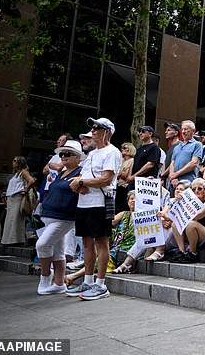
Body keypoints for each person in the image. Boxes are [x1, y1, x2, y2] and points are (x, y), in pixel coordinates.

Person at [67, 117, 122, 300]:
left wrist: (80, 182)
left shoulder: (112, 152)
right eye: (93, 127)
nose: (93, 130)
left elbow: (106, 179)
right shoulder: (91, 154)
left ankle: (100, 284)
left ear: (107, 131)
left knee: (101, 242)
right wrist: (77, 185)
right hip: (85, 202)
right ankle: (88, 281)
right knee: (87, 242)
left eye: (98, 127)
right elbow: (82, 177)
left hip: (101, 202)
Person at [36, 140, 84, 295]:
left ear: (77, 157)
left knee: (42, 245)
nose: (63, 156)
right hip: (50, 215)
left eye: (67, 154)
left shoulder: (80, 173)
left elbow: (84, 190)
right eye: (62, 154)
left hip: (64, 216)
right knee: (58, 251)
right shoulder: (62, 172)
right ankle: (58, 283)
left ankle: (45, 276)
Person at [169, 178, 205, 263]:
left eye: (200, 189)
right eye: (194, 189)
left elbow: (195, 216)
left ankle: (192, 253)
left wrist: (185, 199)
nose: (196, 191)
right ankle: (182, 252)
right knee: (175, 224)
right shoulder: (191, 202)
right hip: (196, 235)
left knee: (191, 224)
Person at [1, 156, 35, 246]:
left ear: (20, 162)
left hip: (17, 197)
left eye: (15, 161)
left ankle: (15, 240)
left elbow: (31, 180)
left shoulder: (23, 172)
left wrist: (25, 190)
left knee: (15, 219)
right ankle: (9, 240)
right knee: (10, 219)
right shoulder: (16, 174)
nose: (13, 162)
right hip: (11, 198)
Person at [169, 120, 203, 189]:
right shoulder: (177, 147)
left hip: (187, 182)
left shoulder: (197, 145)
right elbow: (172, 163)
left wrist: (175, 174)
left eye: (186, 129)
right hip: (174, 182)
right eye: (182, 129)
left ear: (193, 131)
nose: (183, 132)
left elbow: (193, 163)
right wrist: (172, 177)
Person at [41, 133, 70, 201]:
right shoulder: (55, 156)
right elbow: (44, 171)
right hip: (47, 187)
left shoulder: (67, 157)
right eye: (58, 139)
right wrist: (53, 166)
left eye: (61, 140)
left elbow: (59, 167)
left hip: (56, 188)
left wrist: (50, 165)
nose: (58, 141)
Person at [115, 142, 136, 213]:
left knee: (124, 206)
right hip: (119, 185)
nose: (122, 150)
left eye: (125, 148)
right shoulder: (122, 161)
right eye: (122, 148)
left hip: (125, 186)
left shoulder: (131, 160)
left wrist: (119, 173)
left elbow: (125, 175)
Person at [161, 122, 180, 191]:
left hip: (173, 179)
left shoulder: (179, 145)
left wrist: (163, 174)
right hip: (166, 179)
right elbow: (166, 163)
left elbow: (174, 162)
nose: (166, 132)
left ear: (176, 133)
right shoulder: (170, 147)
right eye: (166, 130)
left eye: (168, 130)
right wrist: (162, 177)